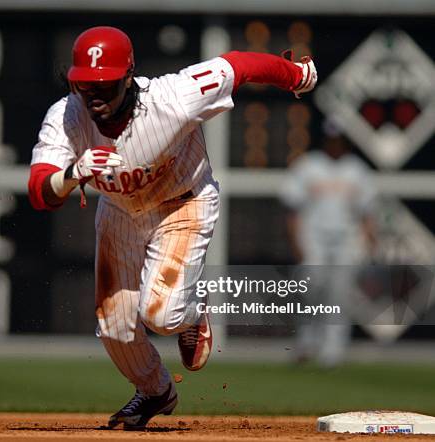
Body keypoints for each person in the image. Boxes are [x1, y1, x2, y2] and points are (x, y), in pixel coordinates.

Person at [29, 25, 317, 429]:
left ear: (128, 77)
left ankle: (194, 314)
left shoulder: (173, 98)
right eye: (84, 85)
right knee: (113, 326)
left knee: (162, 315)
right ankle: (155, 392)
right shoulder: (66, 115)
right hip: (120, 211)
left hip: (182, 203)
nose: (93, 96)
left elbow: (240, 65)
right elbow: (41, 191)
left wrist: (298, 76)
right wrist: (71, 174)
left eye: (104, 85)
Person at [280, 121, 377, 367]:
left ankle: (332, 350)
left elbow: (367, 212)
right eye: (331, 138)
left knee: (339, 294)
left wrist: (369, 241)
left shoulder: (356, 170)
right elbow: (292, 209)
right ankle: (307, 341)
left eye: (339, 139)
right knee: (311, 289)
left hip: (346, 238)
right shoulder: (308, 166)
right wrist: (295, 241)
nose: (335, 143)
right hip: (314, 236)